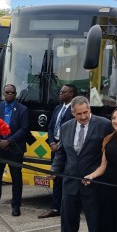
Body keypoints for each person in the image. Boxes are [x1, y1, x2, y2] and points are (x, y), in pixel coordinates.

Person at [51, 95, 113, 232]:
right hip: (70, 184)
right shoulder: (65, 127)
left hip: (93, 185)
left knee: (95, 225)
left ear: (90, 109)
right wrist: (55, 169)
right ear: (73, 113)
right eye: (79, 114)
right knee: (68, 224)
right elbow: (61, 153)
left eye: (86, 112)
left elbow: (108, 153)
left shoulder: (103, 124)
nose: (83, 116)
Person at [0, 83, 29, 217]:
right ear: (3, 94)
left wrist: (9, 141)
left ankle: (16, 207)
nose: (9, 94)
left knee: (16, 179)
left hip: (14, 148)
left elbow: (24, 128)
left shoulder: (23, 109)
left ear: (15, 94)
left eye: (12, 92)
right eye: (7, 92)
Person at [39, 84, 77, 219]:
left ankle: (67, 207)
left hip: (68, 150)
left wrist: (59, 145)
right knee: (56, 177)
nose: (60, 93)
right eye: (60, 91)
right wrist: (52, 142)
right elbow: (50, 128)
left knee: (67, 179)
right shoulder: (57, 108)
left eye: (63, 91)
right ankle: (55, 207)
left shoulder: (75, 110)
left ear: (71, 94)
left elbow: (74, 131)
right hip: (55, 148)